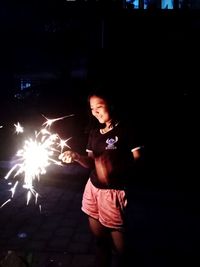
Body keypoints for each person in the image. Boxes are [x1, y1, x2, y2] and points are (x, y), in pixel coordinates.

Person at [59, 89, 143, 267]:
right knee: (100, 243)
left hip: (113, 193)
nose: (95, 112)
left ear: (111, 105)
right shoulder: (95, 133)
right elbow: (91, 162)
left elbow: (138, 160)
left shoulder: (126, 129)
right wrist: (76, 157)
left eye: (100, 107)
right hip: (92, 189)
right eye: (92, 108)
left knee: (123, 251)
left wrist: (115, 169)